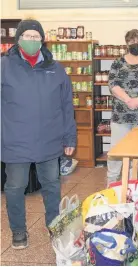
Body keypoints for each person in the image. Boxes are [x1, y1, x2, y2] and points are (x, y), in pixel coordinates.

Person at [1, 19, 76, 249]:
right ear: (19, 38)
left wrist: (69, 137)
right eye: (28, 36)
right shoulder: (4, 66)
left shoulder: (56, 68)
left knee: (52, 185)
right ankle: (19, 231)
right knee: (15, 187)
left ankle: (55, 228)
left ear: (43, 40)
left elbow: (66, 105)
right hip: (15, 139)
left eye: (36, 36)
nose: (32, 40)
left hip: (49, 139)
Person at [106, 29, 138, 185]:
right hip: (121, 116)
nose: (135, 44)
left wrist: (137, 101)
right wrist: (129, 100)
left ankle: (133, 185)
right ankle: (111, 183)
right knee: (116, 151)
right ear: (127, 43)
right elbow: (113, 84)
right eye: (131, 41)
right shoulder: (117, 63)